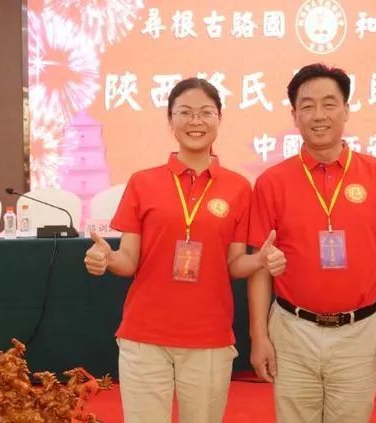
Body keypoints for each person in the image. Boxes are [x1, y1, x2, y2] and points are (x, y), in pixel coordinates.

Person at [84, 78, 286, 423]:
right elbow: (128, 260)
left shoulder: (238, 187)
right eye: (185, 113)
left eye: (206, 112)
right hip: (145, 335)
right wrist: (106, 258)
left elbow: (234, 264)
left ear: (219, 118)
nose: (196, 121)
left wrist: (260, 260)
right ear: (170, 120)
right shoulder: (143, 182)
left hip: (209, 337)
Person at [247, 63, 376, 423]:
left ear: (346, 110)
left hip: (360, 332)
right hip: (291, 331)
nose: (319, 115)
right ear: (294, 116)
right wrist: (259, 336)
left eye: (329, 104)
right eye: (307, 106)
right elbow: (260, 266)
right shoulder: (271, 182)